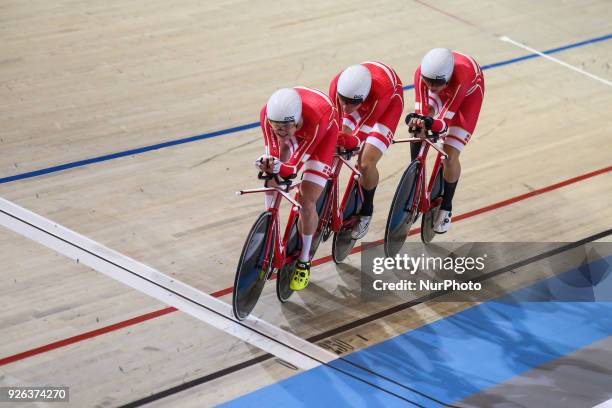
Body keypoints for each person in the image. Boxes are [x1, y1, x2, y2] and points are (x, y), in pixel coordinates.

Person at [255, 87, 339, 291]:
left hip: (321, 137)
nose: (280, 132)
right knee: (271, 170)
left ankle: (304, 260)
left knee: (306, 201)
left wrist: (280, 168)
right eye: (276, 127)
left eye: (284, 127)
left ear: (297, 120)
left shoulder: (316, 120)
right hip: (299, 130)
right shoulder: (268, 116)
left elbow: (292, 167)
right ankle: (270, 222)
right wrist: (268, 165)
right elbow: (274, 156)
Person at [408, 48, 485, 233]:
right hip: (446, 91)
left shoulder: (461, 78)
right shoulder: (422, 75)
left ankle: (447, 206)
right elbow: (422, 110)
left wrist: (431, 124)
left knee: (449, 155)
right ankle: (415, 175)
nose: (432, 87)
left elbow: (444, 123)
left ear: (447, 77)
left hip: (467, 98)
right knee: (419, 124)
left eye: (437, 83)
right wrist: (419, 122)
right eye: (429, 82)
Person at [328, 62, 404, 239]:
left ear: (361, 98)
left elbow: (359, 136)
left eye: (352, 104)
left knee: (365, 163)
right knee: (334, 145)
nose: (346, 108)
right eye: (343, 101)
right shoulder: (336, 86)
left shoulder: (379, 94)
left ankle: (366, 210)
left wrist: (350, 143)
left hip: (387, 105)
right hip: (362, 98)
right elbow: (334, 127)